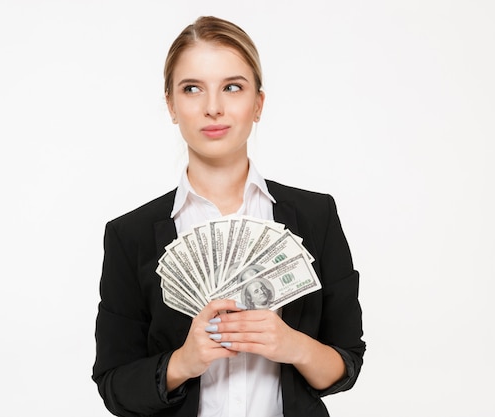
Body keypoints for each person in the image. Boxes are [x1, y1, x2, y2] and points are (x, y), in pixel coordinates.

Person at [92, 16, 365, 417]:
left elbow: (347, 364)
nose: (213, 108)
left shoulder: (315, 215)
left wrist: (293, 346)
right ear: (170, 104)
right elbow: (114, 387)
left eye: (232, 87)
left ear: (258, 103)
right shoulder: (128, 235)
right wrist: (183, 362)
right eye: (192, 89)